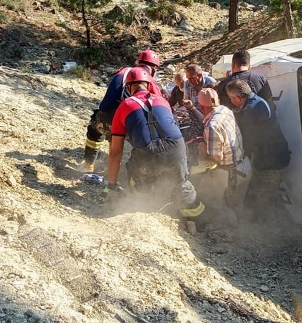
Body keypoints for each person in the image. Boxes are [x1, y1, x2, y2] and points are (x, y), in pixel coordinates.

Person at [104, 67, 206, 221]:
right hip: (176, 149)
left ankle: (145, 206)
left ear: (128, 87)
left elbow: (115, 151)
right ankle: (197, 221)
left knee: (136, 175)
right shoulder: (163, 101)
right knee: (181, 183)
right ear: (149, 84)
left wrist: (111, 185)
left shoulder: (124, 106)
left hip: (147, 155)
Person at [81, 49, 161, 172]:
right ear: (154, 68)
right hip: (136, 128)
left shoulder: (124, 72)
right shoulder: (153, 82)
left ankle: (88, 165)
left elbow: (105, 105)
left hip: (112, 121)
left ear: (138, 62)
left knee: (94, 128)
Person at [225, 79, 290, 219]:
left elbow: (247, 141)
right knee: (260, 195)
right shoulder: (254, 100)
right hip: (272, 156)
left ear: (238, 98)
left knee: (263, 199)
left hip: (272, 161)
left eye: (231, 99)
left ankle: (264, 232)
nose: (231, 102)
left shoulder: (251, 110)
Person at [184, 88, 252, 220]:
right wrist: (192, 108)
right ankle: (242, 233)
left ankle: (225, 231)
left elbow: (216, 158)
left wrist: (203, 151)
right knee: (237, 205)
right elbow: (208, 119)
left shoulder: (212, 127)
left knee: (208, 198)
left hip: (231, 172)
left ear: (202, 107)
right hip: (245, 166)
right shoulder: (225, 111)